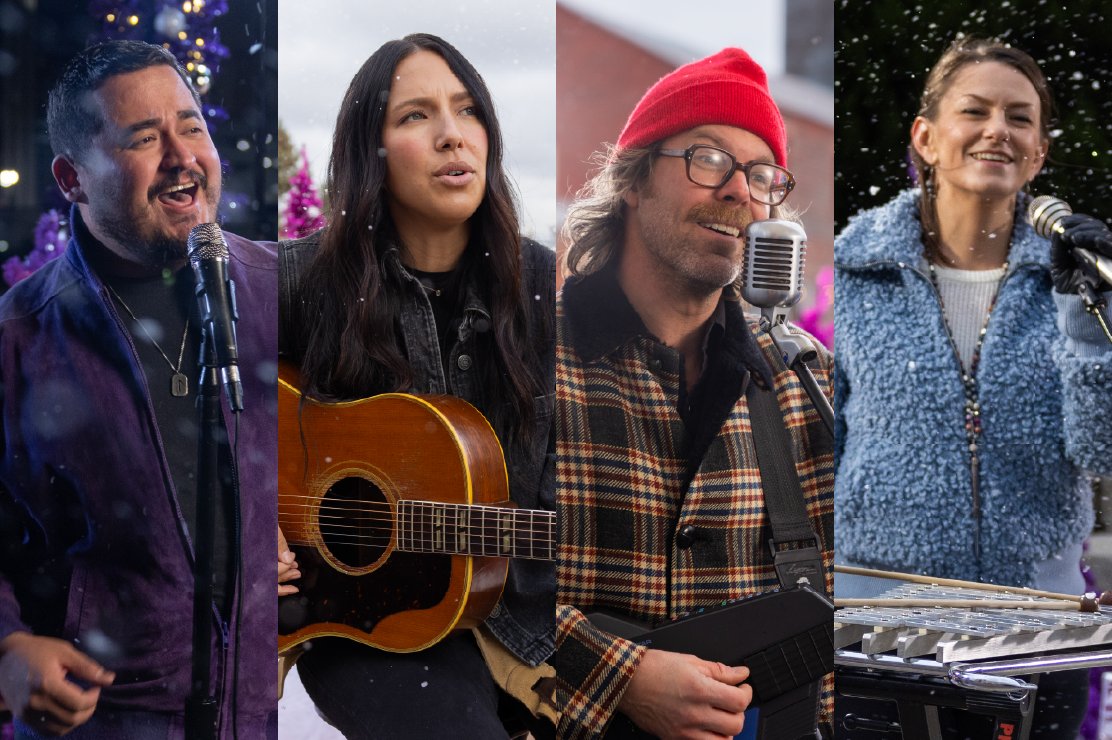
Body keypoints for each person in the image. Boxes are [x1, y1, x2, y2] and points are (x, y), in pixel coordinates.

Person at [277, 34, 557, 739]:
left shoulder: (550, 294)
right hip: (360, 623)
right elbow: (187, 425)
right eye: (414, 116)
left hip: (527, 623)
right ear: (368, 151)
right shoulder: (291, 282)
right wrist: (253, 525)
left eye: (467, 111)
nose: (451, 135)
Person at [551, 48, 835, 740]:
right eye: (708, 159)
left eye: (761, 173)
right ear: (634, 180)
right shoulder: (526, 359)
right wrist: (616, 676)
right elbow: (475, 587)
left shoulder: (806, 378)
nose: (740, 190)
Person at [833, 36, 1112, 738]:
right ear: (926, 138)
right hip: (878, 632)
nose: (998, 130)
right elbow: (817, 448)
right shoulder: (850, 276)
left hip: (1037, 639)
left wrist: (1090, 316)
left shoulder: (1074, 279)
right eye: (975, 110)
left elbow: (1102, 450)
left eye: (1020, 118)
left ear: (1039, 153)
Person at [0, 41, 278, 739]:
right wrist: (5, 649)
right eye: (145, 139)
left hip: (264, 708)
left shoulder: (281, 288)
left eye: (191, 126)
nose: (182, 156)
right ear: (72, 179)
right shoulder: (18, 336)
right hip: (107, 718)